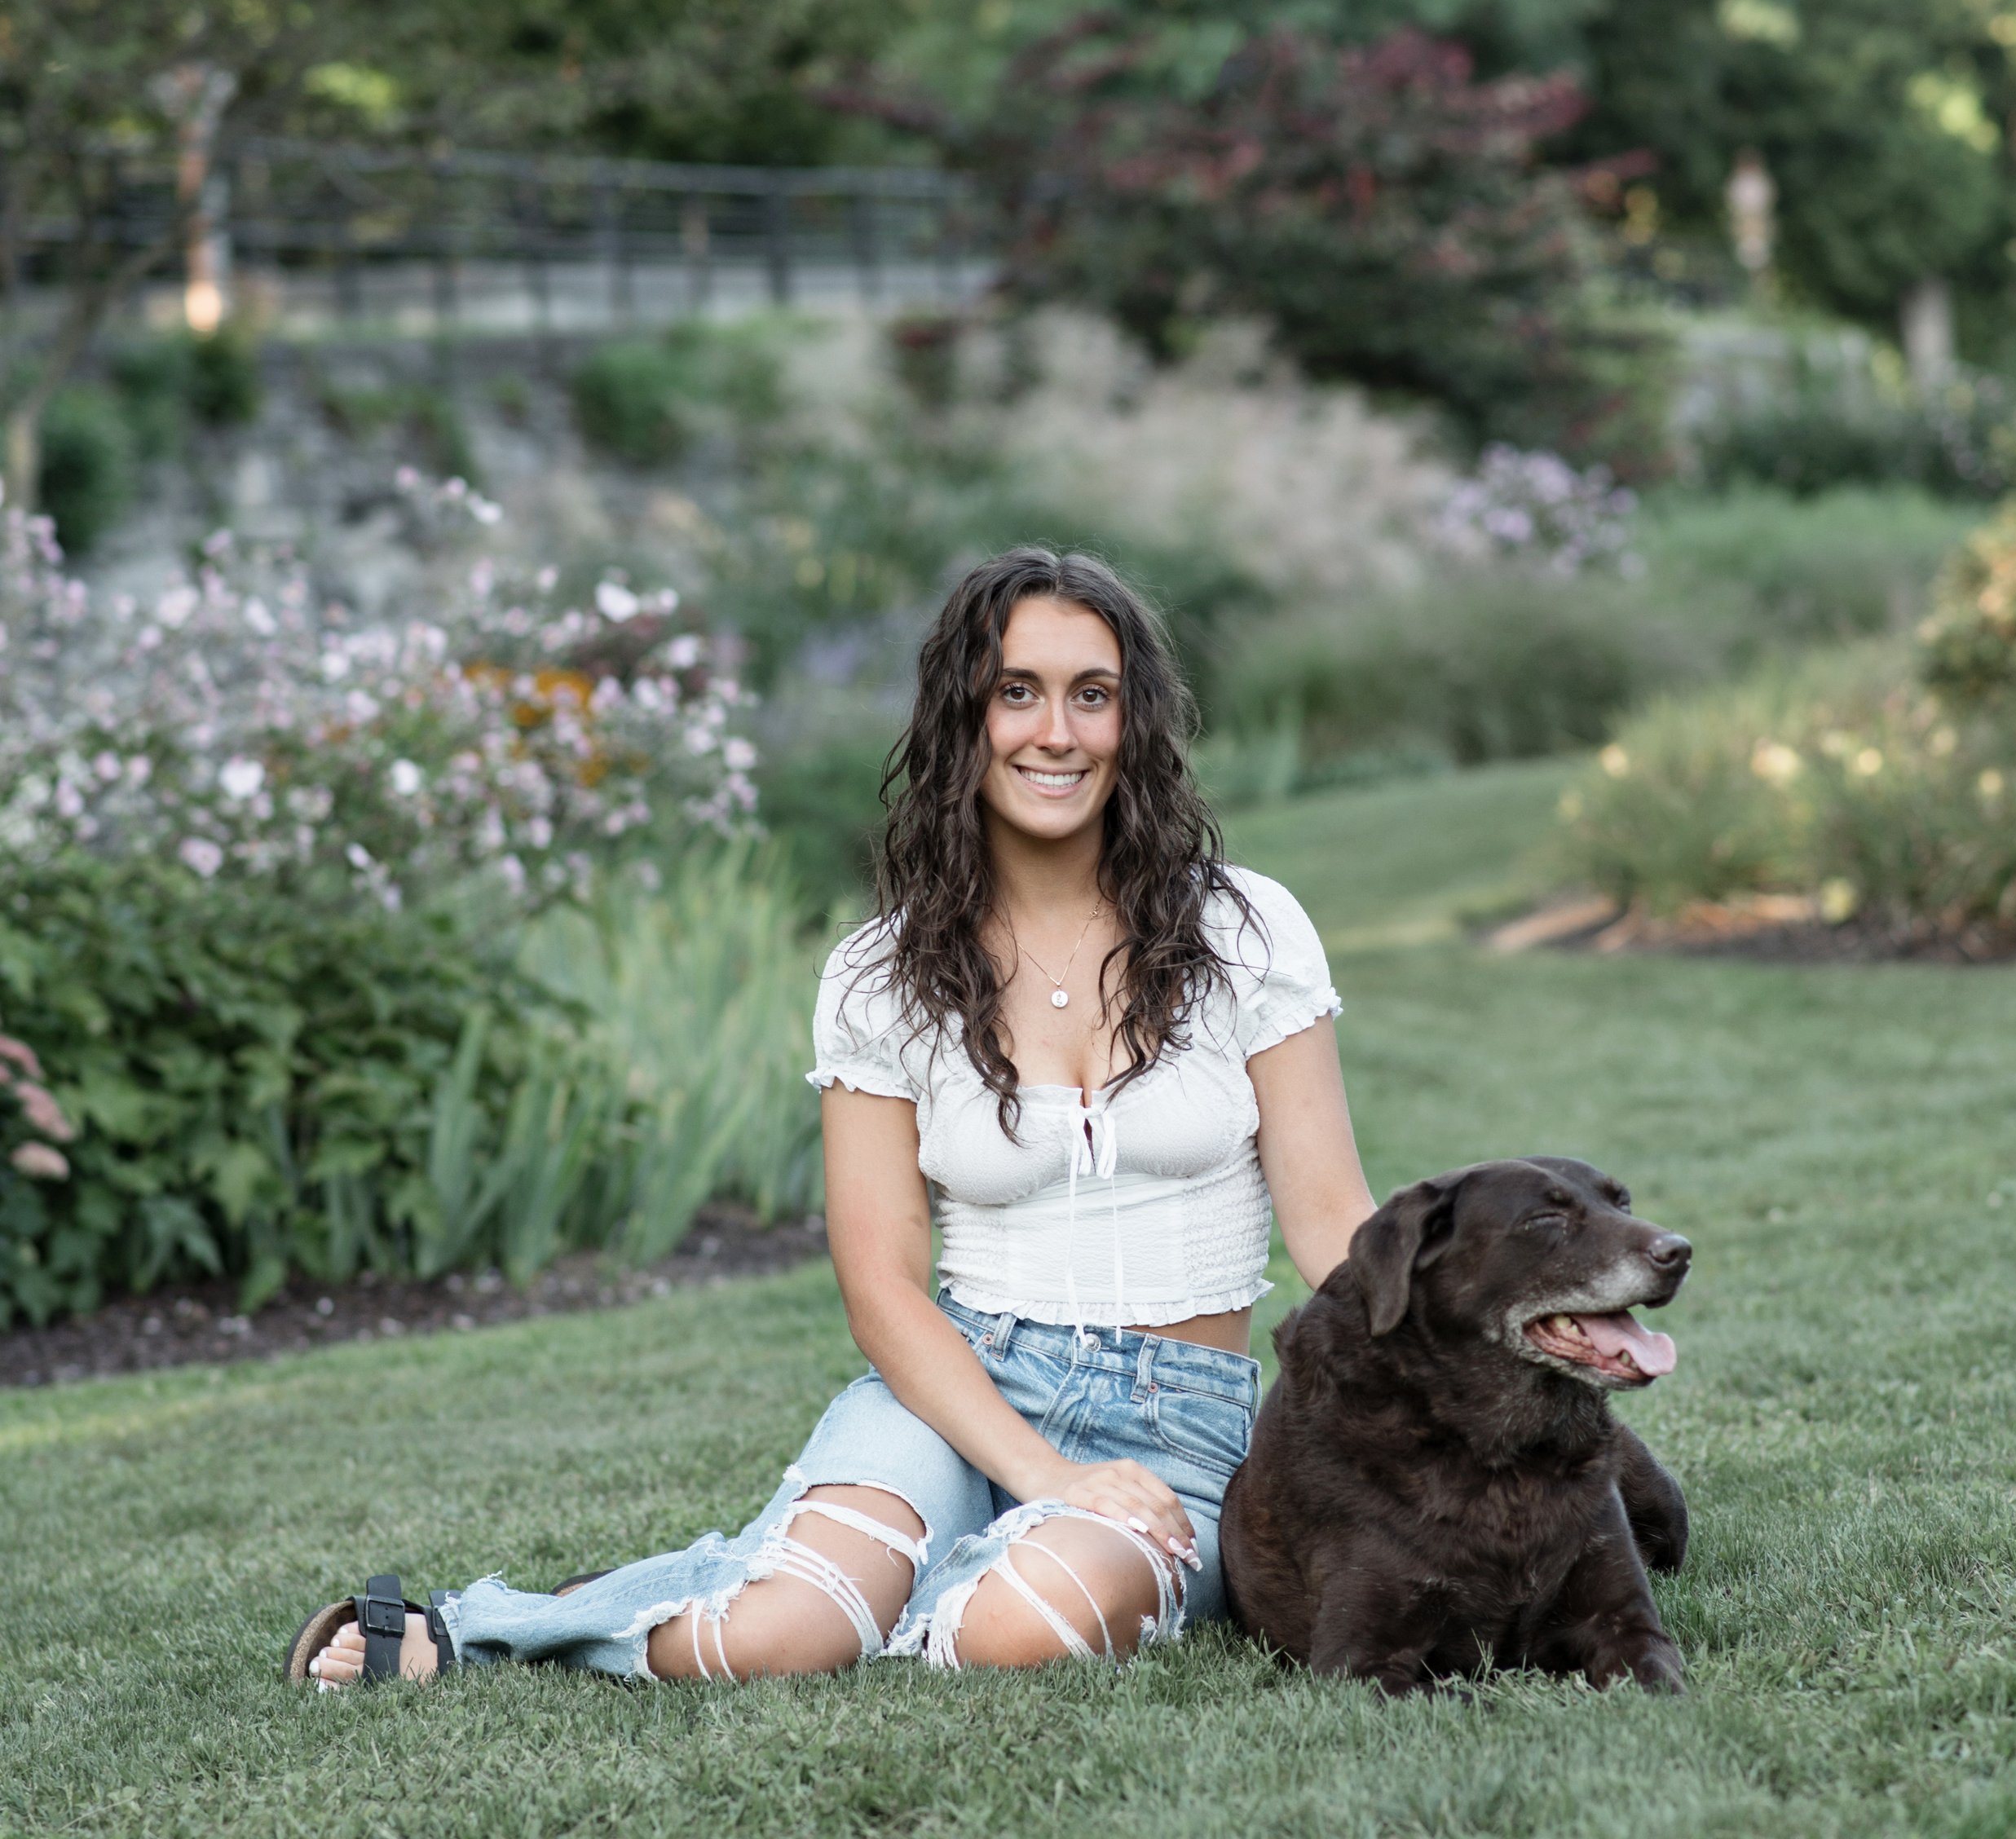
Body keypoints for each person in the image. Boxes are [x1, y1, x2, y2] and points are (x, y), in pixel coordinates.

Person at [289, 546, 1374, 1687]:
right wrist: (1041, 1475)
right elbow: (882, 1285)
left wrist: (1488, 1342)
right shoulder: (880, 974)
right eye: (1017, 692)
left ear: (1133, 723)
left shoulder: (1245, 932)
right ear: (964, 719)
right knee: (779, 1640)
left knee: (1026, 1628)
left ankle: (843, 1580)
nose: (1055, 731)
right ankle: (487, 1626)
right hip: (960, 1391)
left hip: (1178, 1430)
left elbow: (1331, 1222)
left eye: (1090, 695)